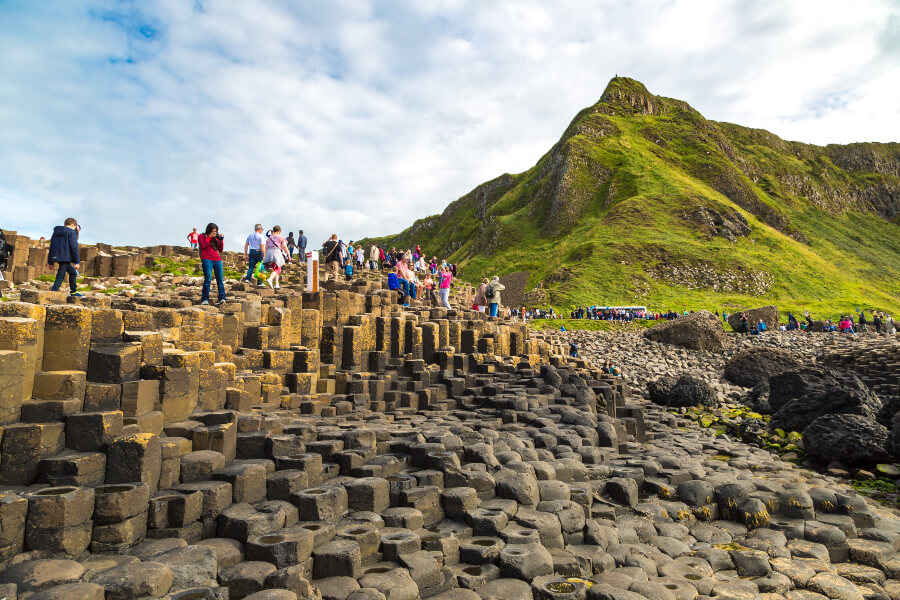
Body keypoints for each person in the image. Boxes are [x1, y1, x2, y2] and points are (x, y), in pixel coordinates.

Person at [48, 217, 83, 297]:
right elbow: (74, 247)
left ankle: (74, 291)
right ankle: (53, 293)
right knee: (60, 275)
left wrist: (50, 261)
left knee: (73, 272)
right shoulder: (71, 232)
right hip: (65, 257)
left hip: (56, 256)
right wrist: (77, 261)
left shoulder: (56, 232)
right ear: (73, 225)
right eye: (75, 227)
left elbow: (52, 246)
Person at [198, 223, 226, 305]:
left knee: (220, 280)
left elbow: (220, 250)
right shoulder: (202, 236)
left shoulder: (216, 238)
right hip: (207, 259)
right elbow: (203, 245)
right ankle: (205, 299)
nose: (215, 233)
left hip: (217, 259)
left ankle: (222, 298)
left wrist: (221, 240)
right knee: (208, 278)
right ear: (209, 230)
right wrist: (210, 237)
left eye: (216, 231)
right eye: (213, 231)